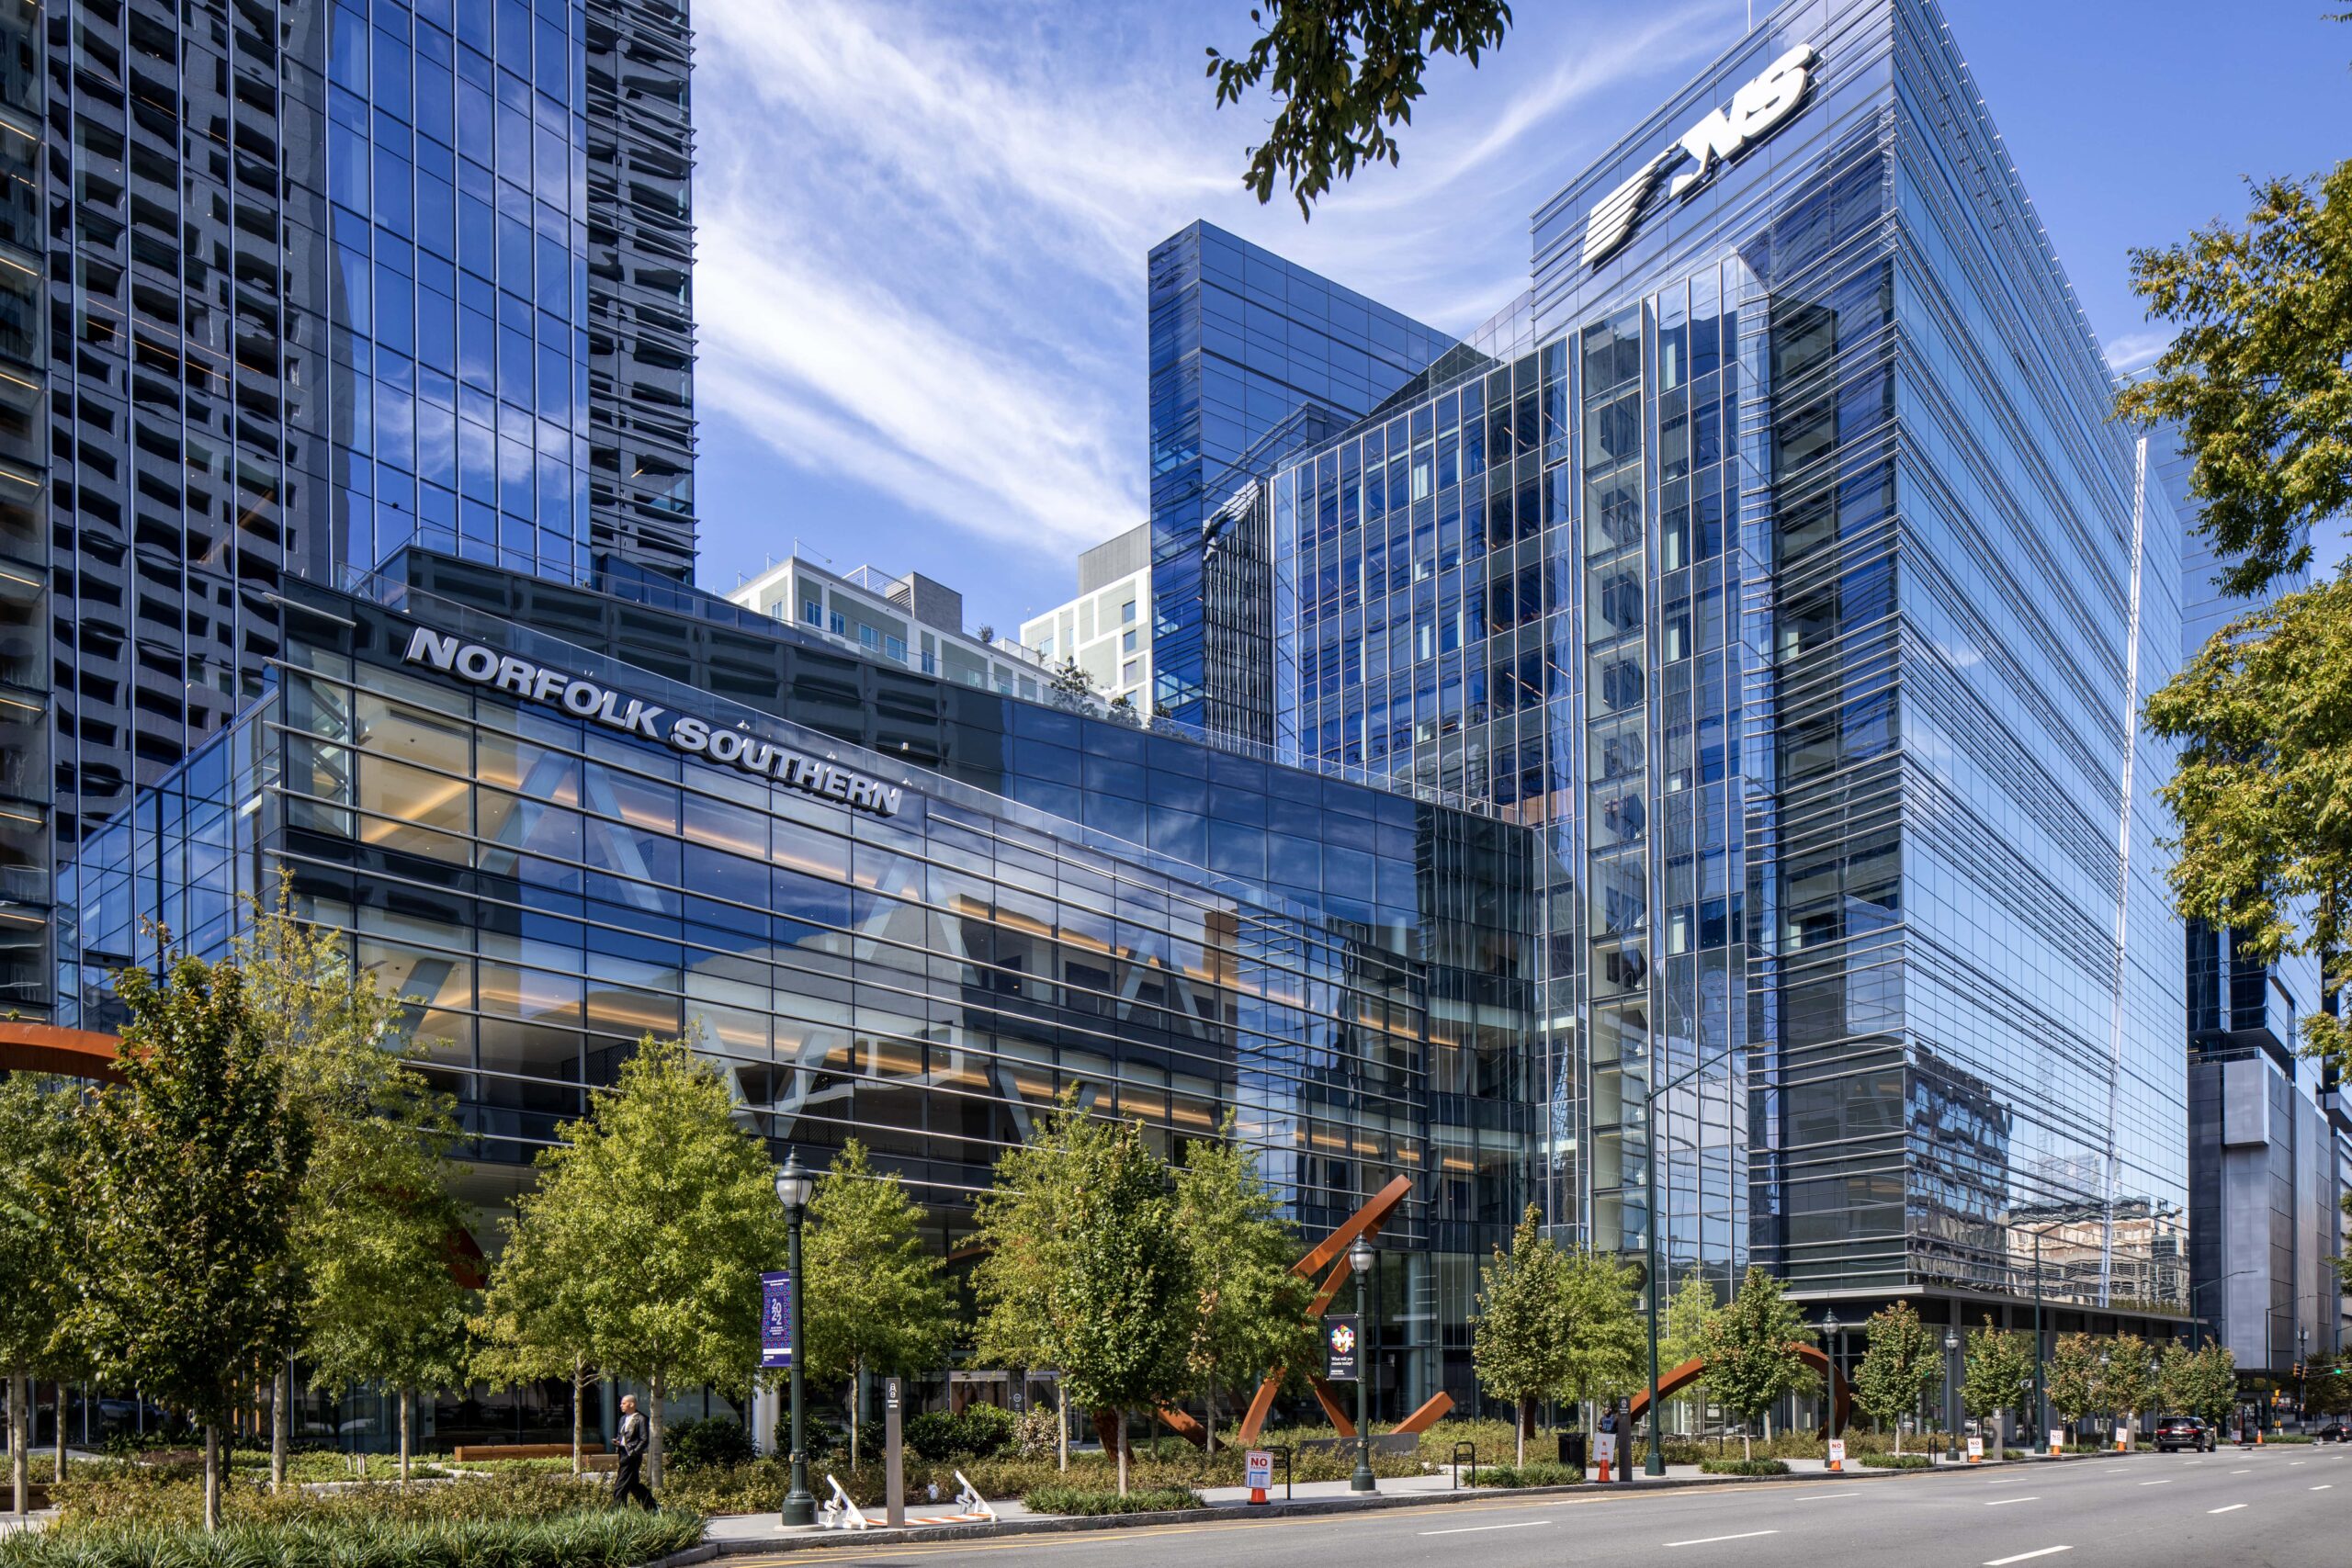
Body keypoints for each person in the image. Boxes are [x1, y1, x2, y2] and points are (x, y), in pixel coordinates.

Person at [611, 1393, 658, 1510]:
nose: (621, 1405)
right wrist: (618, 1441)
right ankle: (652, 1507)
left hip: (632, 1456)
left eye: (623, 1403)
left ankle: (618, 1511)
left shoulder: (640, 1419)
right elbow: (622, 1436)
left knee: (620, 1485)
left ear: (631, 1404)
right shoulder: (623, 1419)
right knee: (633, 1485)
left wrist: (634, 1452)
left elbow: (644, 1439)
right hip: (622, 1454)